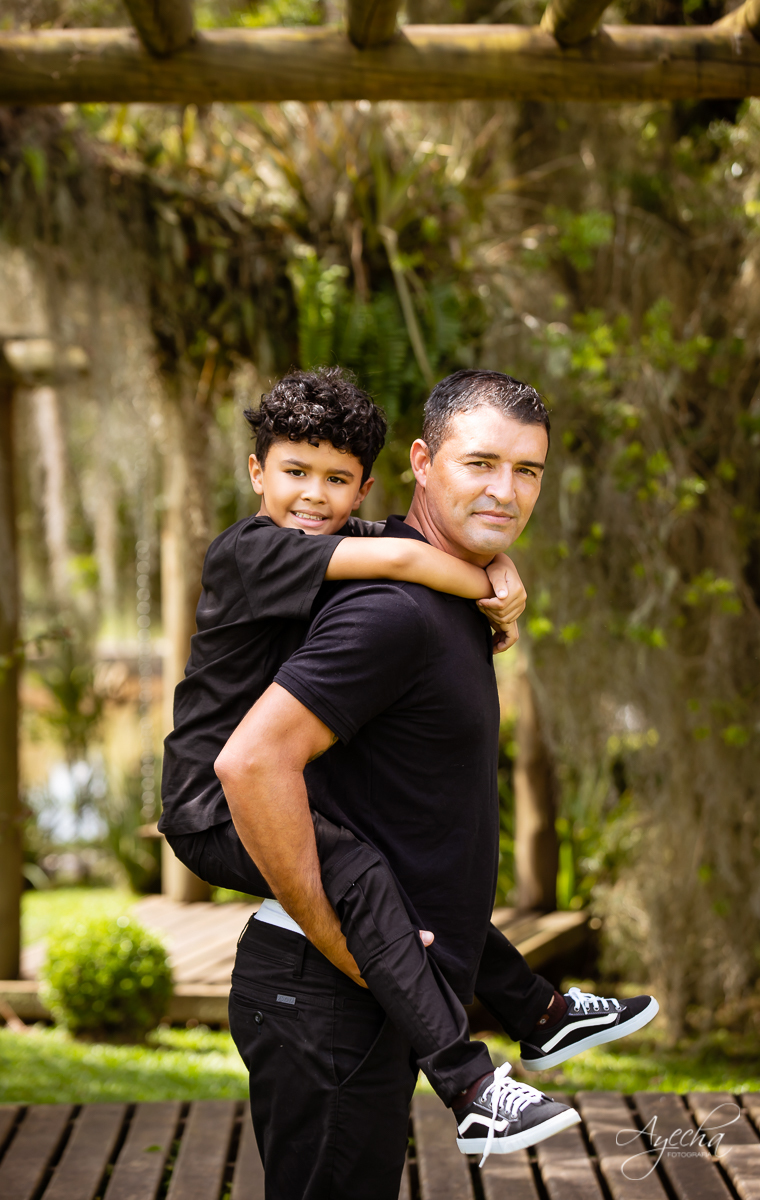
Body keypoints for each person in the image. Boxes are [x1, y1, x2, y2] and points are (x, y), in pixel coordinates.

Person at [215, 369, 658, 1199]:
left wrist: (495, 574)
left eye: (526, 471)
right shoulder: (391, 612)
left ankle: (537, 1011)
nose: (505, 490)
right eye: (480, 463)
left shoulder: (441, 593)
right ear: (423, 463)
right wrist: (333, 934)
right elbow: (249, 763)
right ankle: (492, 1062)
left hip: (371, 977)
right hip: (328, 981)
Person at [161, 368, 529, 1117]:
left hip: (246, 792)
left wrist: (497, 562)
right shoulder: (251, 550)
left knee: (398, 881)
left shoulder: (329, 535)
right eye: (295, 472)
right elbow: (403, 559)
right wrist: (493, 580)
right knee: (362, 872)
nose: (313, 496)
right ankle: (465, 1078)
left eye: (338, 480)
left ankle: (542, 1012)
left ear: (361, 492)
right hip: (208, 804)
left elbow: (392, 546)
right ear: (257, 471)